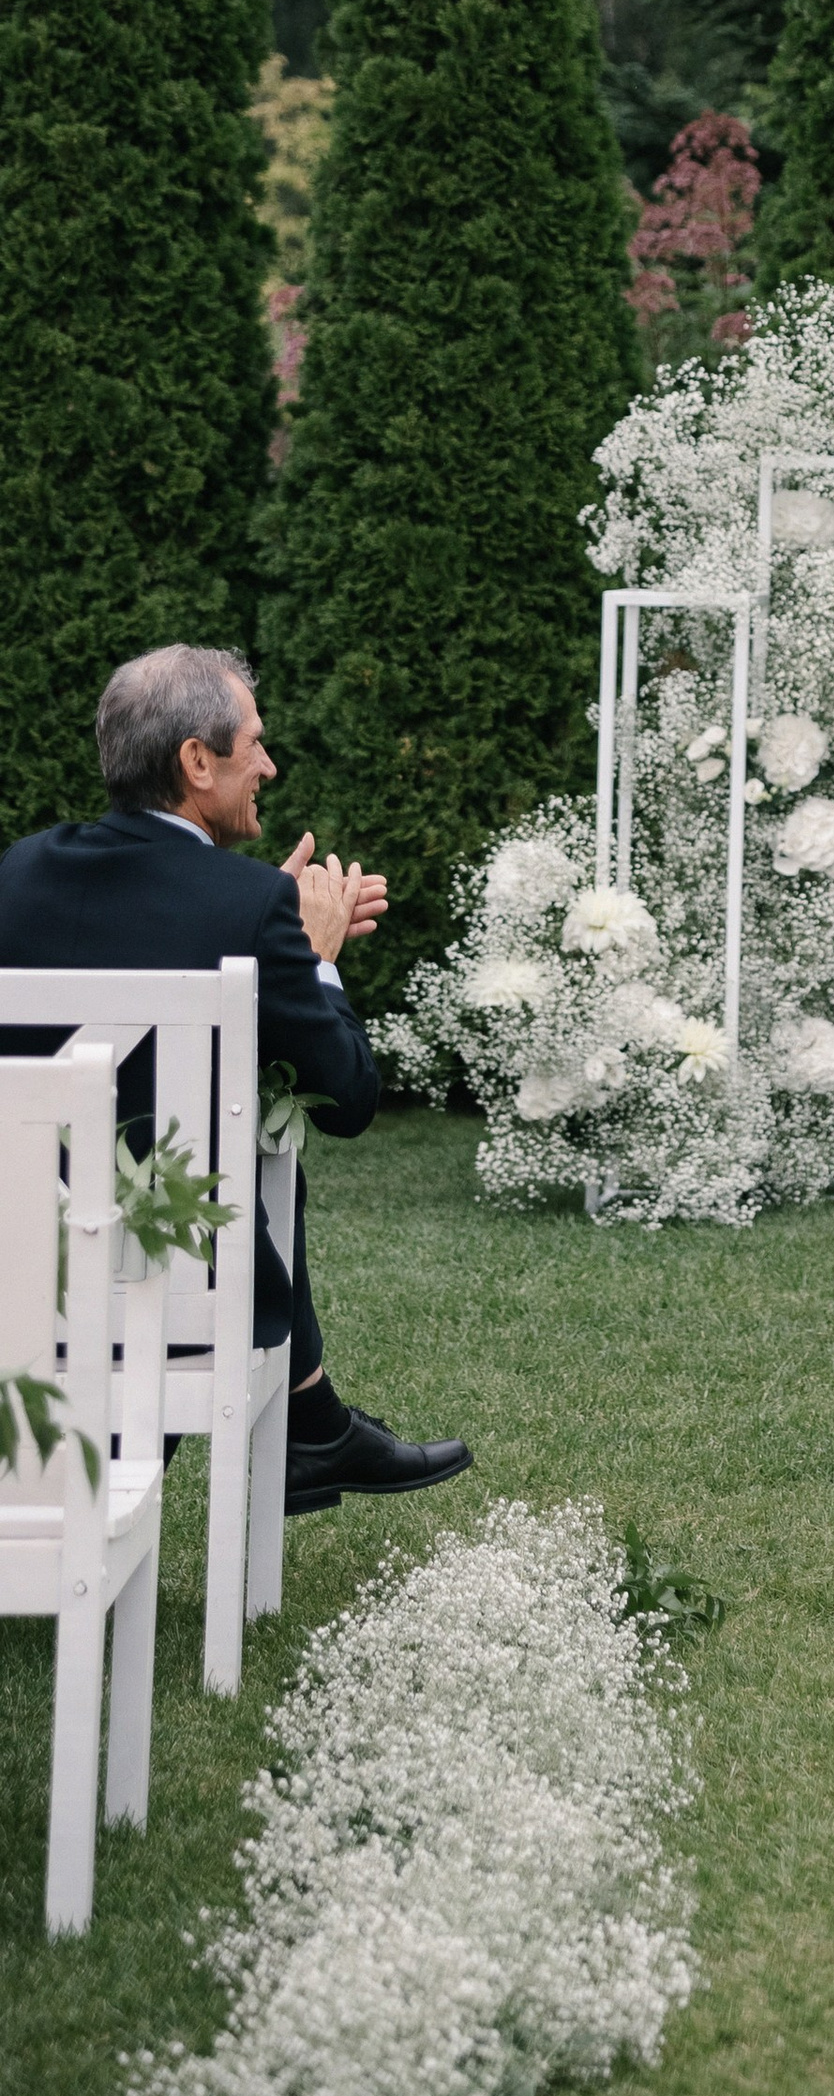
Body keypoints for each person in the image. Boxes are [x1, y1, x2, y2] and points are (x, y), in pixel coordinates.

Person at [0, 644, 471, 1516]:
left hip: (18, 1270)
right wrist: (312, 957)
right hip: (169, 1286)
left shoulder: (16, 873)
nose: (269, 764)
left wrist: (259, 922)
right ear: (196, 761)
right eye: (254, 742)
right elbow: (351, 1102)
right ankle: (310, 1424)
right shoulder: (247, 904)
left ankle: (313, 1424)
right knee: (246, 1176)